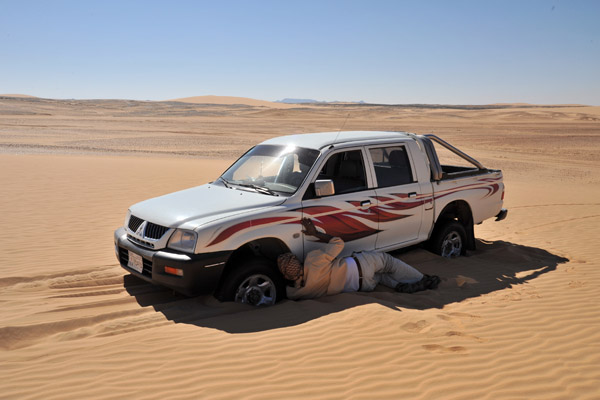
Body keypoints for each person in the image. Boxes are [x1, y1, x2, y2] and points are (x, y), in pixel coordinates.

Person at [278, 218, 440, 301]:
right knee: (389, 263)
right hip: (361, 264)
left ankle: (400, 286)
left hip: (363, 285)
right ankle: (422, 279)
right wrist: (315, 233)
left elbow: (290, 291)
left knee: (382, 277)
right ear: (296, 261)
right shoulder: (313, 260)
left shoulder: (302, 292)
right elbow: (338, 243)